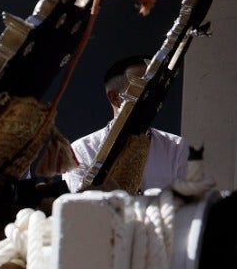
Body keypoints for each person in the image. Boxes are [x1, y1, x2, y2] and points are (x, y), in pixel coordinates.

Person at [65, 54, 190, 194]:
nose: (150, 97)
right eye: (141, 90)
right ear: (114, 98)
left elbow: (185, 206)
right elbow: (78, 208)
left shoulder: (176, 148)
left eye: (154, 90)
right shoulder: (80, 151)